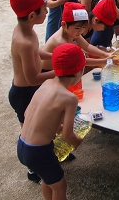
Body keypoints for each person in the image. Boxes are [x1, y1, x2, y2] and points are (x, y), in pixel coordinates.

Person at [17, 43, 86, 199]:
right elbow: (67, 136)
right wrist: (77, 142)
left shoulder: (46, 83)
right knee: (60, 185)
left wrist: (56, 127)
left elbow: (28, 113)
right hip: (38, 151)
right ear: (78, 72)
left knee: (48, 180)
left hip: (22, 144)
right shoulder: (69, 98)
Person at [8, 0, 55, 183]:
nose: (46, 10)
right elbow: (32, 78)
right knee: (30, 131)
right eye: (44, 9)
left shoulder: (28, 31)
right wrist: (58, 72)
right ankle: (33, 167)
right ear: (31, 16)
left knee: (42, 125)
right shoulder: (25, 41)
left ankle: (46, 156)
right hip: (23, 92)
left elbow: (38, 52)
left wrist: (56, 56)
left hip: (28, 89)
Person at [42, 2, 116, 70]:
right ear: (64, 24)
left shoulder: (72, 32)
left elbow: (86, 46)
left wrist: (106, 54)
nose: (80, 31)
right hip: (48, 73)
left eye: (83, 27)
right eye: (77, 28)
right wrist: (105, 61)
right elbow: (80, 61)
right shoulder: (60, 41)